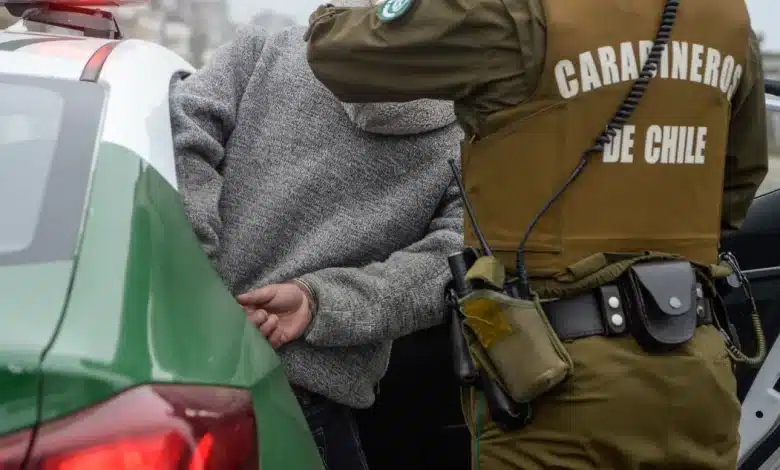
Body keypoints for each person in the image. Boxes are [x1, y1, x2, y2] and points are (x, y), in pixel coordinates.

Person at [303, 0, 769, 469]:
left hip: (553, 380)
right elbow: (737, 184)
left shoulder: (512, 12)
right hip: (698, 372)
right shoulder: (726, 17)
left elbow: (337, 52)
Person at [170, 19, 464, 470]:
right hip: (304, 408)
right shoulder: (467, 140)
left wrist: (203, 282)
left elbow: (179, 133)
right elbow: (453, 262)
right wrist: (318, 303)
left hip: (167, 378)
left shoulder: (265, 49)